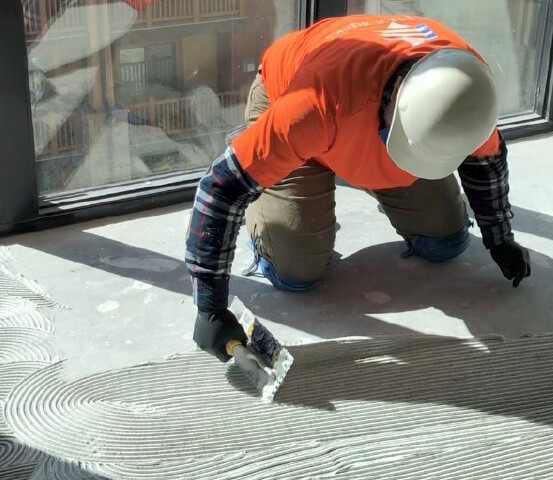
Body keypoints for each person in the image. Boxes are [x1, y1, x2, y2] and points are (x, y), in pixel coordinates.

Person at [185, 14, 531, 361]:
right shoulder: (313, 102)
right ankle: (285, 165)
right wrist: (210, 308)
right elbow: (220, 188)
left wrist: (500, 236)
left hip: (355, 122)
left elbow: (486, 165)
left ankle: (345, 159)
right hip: (293, 94)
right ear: (395, 98)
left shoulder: (465, 92)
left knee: (447, 243)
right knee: (294, 273)